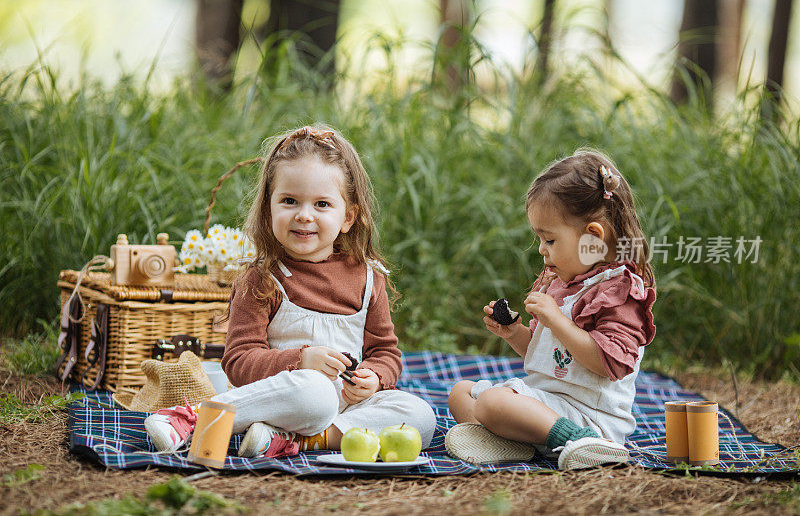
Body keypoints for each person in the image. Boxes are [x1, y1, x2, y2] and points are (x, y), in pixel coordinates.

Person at [144, 125, 436, 458]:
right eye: (289, 200)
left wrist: (375, 377)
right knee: (316, 392)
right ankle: (192, 417)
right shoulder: (262, 280)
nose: (304, 215)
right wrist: (301, 361)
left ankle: (293, 442)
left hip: (344, 409)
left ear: (348, 216)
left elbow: (386, 352)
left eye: (322, 204)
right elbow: (238, 362)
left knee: (419, 416)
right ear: (269, 209)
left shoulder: (368, 278)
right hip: (290, 398)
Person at [445, 149, 656, 470]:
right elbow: (545, 355)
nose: (542, 250)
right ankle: (522, 443)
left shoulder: (619, 291)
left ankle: (582, 443)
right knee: (461, 393)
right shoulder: (560, 282)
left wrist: (555, 320)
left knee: (491, 403)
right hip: (547, 404)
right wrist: (515, 332)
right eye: (539, 239)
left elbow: (610, 364)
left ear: (593, 237)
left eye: (550, 240)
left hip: (589, 416)